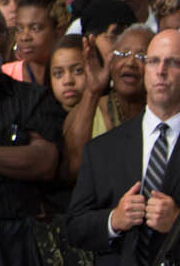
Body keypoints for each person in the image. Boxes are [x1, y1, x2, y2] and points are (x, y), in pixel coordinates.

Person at [65, 27, 180, 263]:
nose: (161, 71)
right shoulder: (102, 149)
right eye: (153, 61)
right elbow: (74, 228)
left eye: (173, 63)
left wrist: (177, 223)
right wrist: (113, 220)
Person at [0, 0, 64, 261]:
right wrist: (11, 157)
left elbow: (44, 164)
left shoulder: (33, 97)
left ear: (8, 38)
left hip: (20, 238)